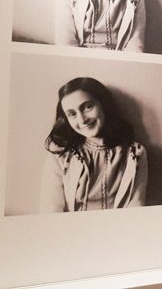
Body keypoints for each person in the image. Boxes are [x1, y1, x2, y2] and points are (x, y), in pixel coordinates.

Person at [40, 77, 147, 212]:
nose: (82, 120)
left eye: (87, 107)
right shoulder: (59, 155)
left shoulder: (135, 154)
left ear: (104, 104)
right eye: (72, 114)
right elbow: (50, 210)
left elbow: (136, 206)